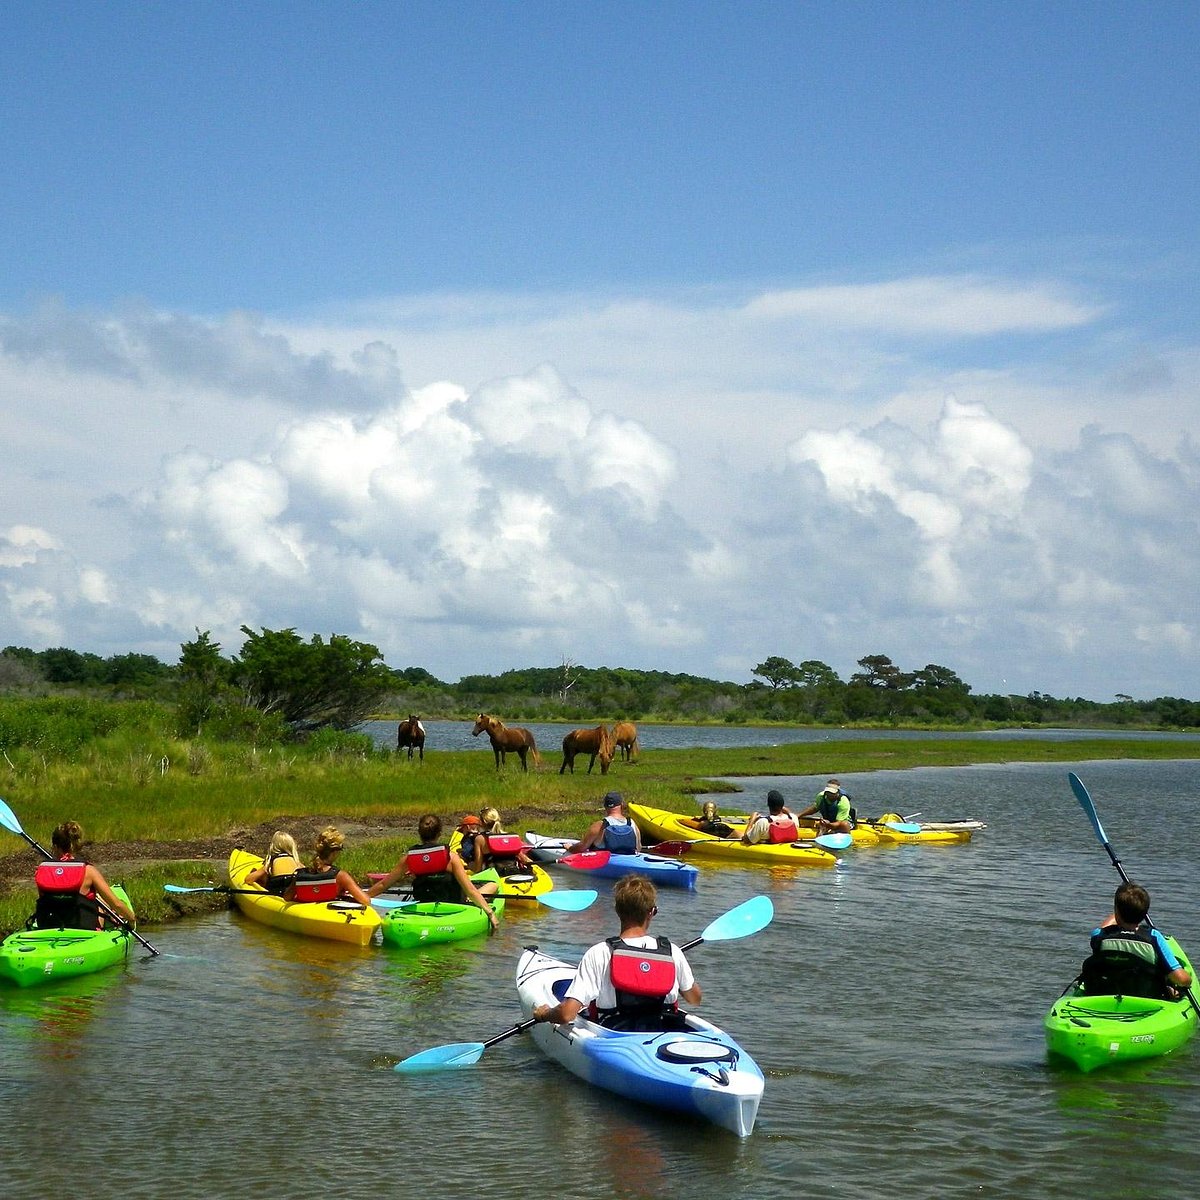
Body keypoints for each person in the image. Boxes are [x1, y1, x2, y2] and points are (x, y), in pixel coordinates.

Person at [532, 875, 701, 1031]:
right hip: (660, 1033)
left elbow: (566, 1014)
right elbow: (694, 999)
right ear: (652, 912)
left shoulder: (599, 953)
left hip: (614, 1035)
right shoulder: (672, 952)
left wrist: (544, 1014)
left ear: (617, 910)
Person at [367, 813, 498, 931]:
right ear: (439, 833)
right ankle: (471, 901)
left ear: (419, 833)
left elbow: (383, 885)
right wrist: (490, 913)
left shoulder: (409, 858)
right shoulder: (451, 857)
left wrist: (362, 897)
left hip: (424, 904)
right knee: (493, 885)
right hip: (453, 906)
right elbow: (470, 890)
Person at [1081, 881, 1193, 999]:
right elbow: (1182, 979)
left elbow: (1105, 927)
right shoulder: (1154, 937)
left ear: (1116, 912)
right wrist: (1188, 980)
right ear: (1144, 914)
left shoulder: (1099, 936)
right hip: (1146, 999)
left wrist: (1119, 911)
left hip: (1104, 996)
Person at [34, 820, 136, 930]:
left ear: (54, 846)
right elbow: (117, 904)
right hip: (83, 930)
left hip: (48, 928)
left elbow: (44, 900)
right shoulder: (89, 871)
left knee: (96, 899)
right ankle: (103, 929)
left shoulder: (42, 870)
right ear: (77, 845)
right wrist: (131, 919)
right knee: (98, 902)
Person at [287, 826, 373, 906]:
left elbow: (287, 897)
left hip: (306, 914)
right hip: (331, 915)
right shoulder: (341, 876)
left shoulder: (302, 873)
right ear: (335, 852)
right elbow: (366, 901)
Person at [568, 792, 642, 854]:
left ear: (605, 807)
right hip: (629, 862)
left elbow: (581, 848)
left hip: (606, 863)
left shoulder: (600, 825)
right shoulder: (632, 823)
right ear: (622, 805)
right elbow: (638, 848)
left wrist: (569, 848)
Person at [478, 806, 533, 875]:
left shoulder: (480, 839)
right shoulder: (511, 837)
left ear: (482, 822)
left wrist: (468, 866)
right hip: (512, 873)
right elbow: (525, 860)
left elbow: (478, 868)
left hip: (492, 876)